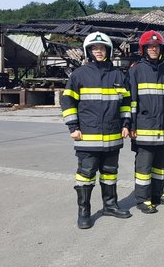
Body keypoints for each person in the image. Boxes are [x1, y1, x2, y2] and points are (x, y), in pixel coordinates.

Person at [61, 31, 132, 229]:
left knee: (110, 173)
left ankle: (110, 205)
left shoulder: (118, 75)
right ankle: (84, 212)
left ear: (107, 50)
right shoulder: (79, 74)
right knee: (86, 175)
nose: (98, 51)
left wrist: (126, 124)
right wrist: (73, 127)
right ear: (89, 51)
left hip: (112, 136)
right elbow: (67, 101)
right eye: (94, 48)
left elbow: (126, 103)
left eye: (101, 48)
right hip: (87, 136)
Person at [128, 30, 164, 214]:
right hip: (144, 128)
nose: (153, 49)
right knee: (144, 167)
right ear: (144, 49)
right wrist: (131, 125)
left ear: (161, 49)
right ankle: (142, 199)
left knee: (161, 166)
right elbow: (131, 101)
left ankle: (157, 193)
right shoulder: (136, 71)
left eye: (156, 46)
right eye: (150, 46)